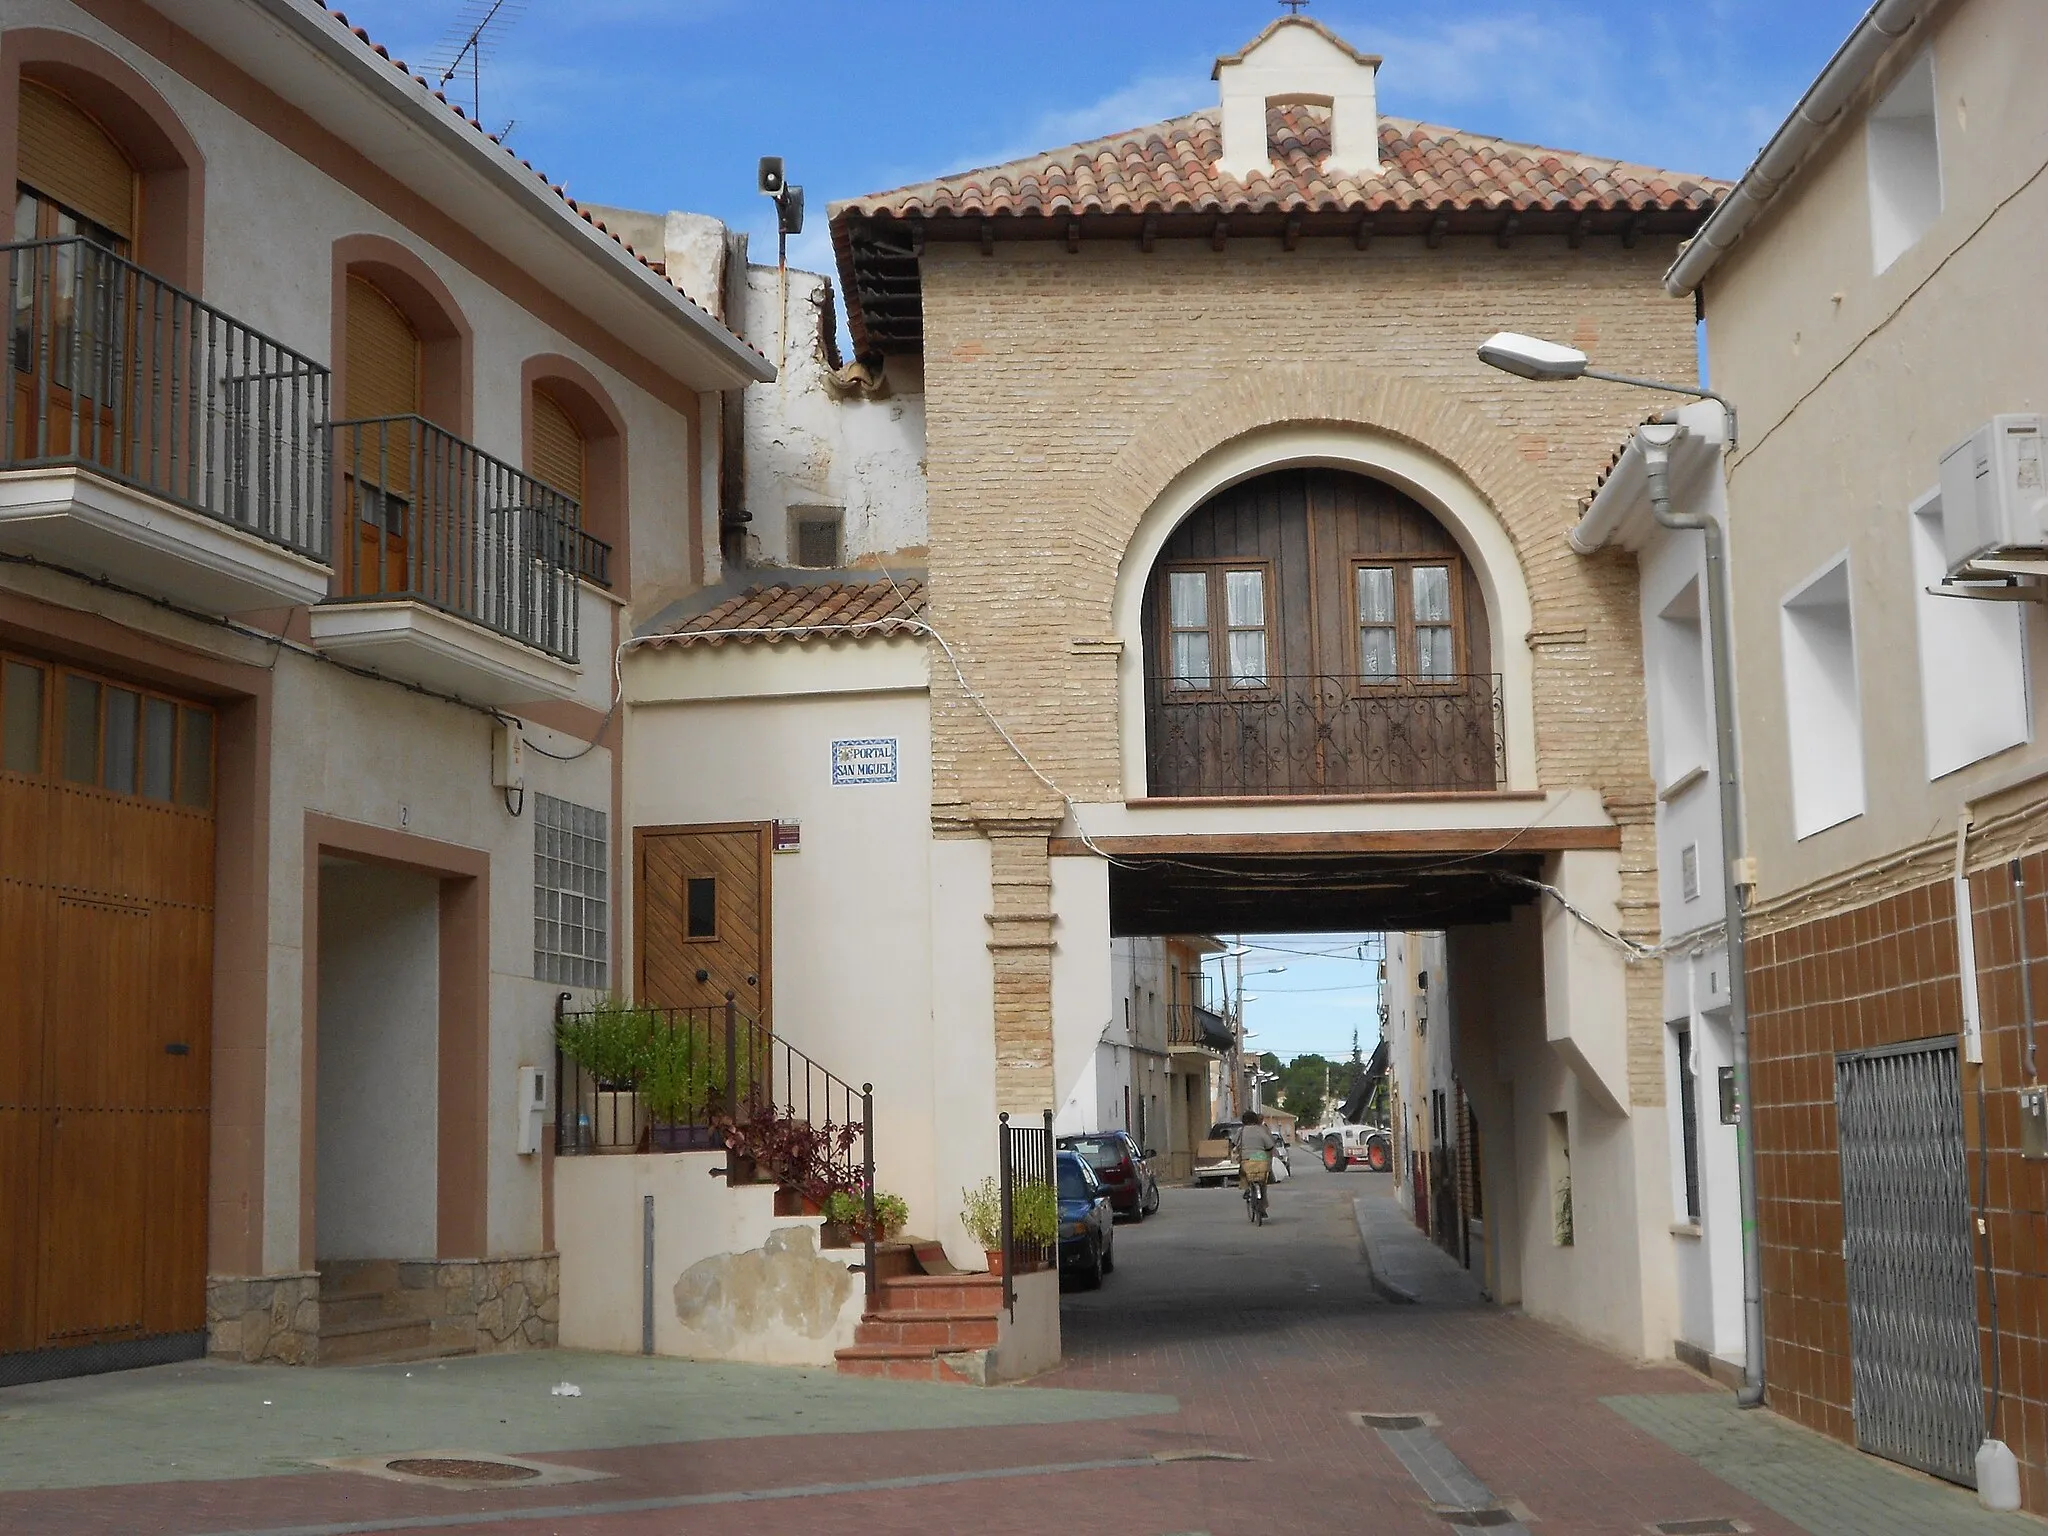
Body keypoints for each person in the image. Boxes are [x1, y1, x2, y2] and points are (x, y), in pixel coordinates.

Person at [1239, 1108, 1277, 1210]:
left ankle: (1246, 1188)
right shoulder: (1261, 1130)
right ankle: (1263, 1206)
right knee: (1262, 1182)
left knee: (1243, 1172)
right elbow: (1269, 1145)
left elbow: (1234, 1143)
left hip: (1246, 1158)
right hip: (1261, 1158)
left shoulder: (1241, 1130)